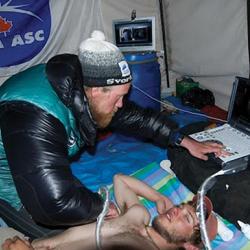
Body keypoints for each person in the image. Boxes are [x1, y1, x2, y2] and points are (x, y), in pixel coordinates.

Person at [0, 30, 224, 237]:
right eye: (118, 98)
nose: (121, 105)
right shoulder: (34, 118)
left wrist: (183, 140)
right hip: (8, 184)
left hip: (29, 161)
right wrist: (102, 207)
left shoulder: (85, 86)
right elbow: (53, 204)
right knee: (56, 237)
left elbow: (138, 118)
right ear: (96, 91)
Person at [2, 174, 218, 250]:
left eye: (186, 218)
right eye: (180, 207)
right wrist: (159, 197)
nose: (175, 211)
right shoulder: (139, 216)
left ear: (190, 246)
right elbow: (120, 181)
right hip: (33, 240)